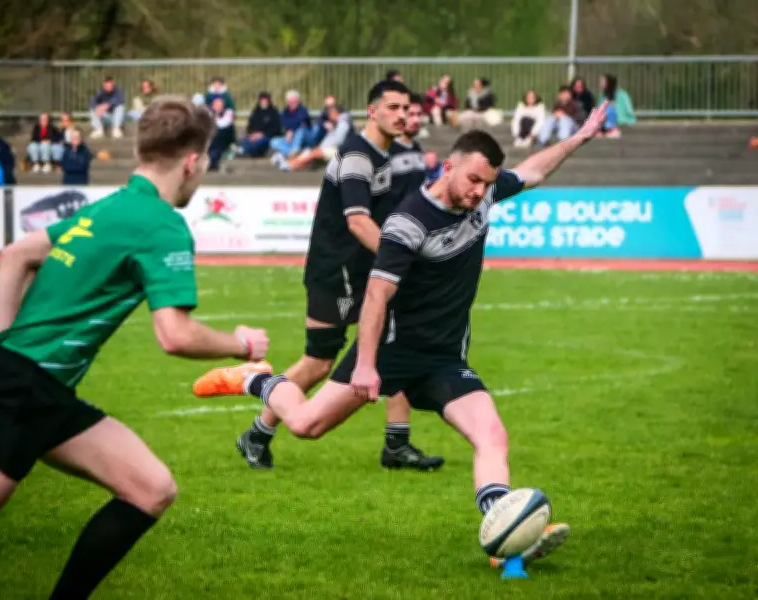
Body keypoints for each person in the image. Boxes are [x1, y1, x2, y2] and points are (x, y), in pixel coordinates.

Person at [193, 104, 611, 566]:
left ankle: (503, 536)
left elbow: (533, 170)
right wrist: (368, 365)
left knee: (491, 434)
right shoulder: (407, 223)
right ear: (449, 167)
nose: (480, 192)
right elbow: (375, 297)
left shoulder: (486, 195)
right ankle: (256, 379)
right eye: (473, 181)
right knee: (306, 425)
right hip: (391, 351)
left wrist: (580, 137)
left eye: (488, 184)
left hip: (444, 357)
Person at [0, 96, 270, 599]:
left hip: (41, 392)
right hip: (19, 392)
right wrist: (240, 344)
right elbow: (175, 334)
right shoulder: (161, 224)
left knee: (151, 488)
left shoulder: (107, 208)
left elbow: (16, 255)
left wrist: (5, 346)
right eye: (206, 161)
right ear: (192, 161)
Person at [200, 80, 440, 472]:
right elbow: (358, 222)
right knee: (318, 362)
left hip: (364, 270)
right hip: (336, 273)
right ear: (372, 110)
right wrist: (399, 260)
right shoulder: (357, 157)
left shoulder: (387, 155)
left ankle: (397, 442)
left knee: (397, 341)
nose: (401, 115)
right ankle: (257, 432)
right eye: (393, 107)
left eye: (406, 108)